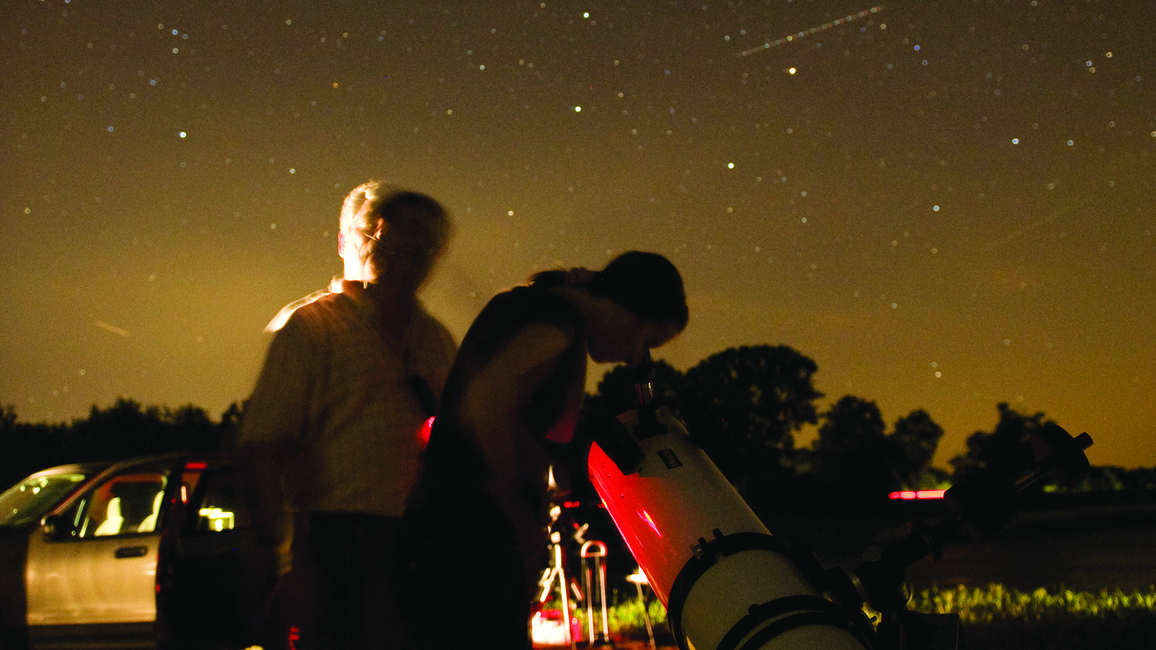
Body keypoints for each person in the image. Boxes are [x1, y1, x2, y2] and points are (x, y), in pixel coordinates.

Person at [399, 251, 688, 650]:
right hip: (471, 536)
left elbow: (514, 416)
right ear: (629, 306)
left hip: (454, 530)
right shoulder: (556, 324)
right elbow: (486, 400)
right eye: (646, 338)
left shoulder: (541, 311)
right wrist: (514, 506)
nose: (638, 357)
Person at [235, 182, 456, 650]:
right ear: (345, 241)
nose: (410, 251)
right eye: (388, 234)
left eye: (424, 241)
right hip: (336, 547)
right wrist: (284, 566)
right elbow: (263, 451)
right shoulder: (312, 328)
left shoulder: (435, 338)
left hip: (423, 544)